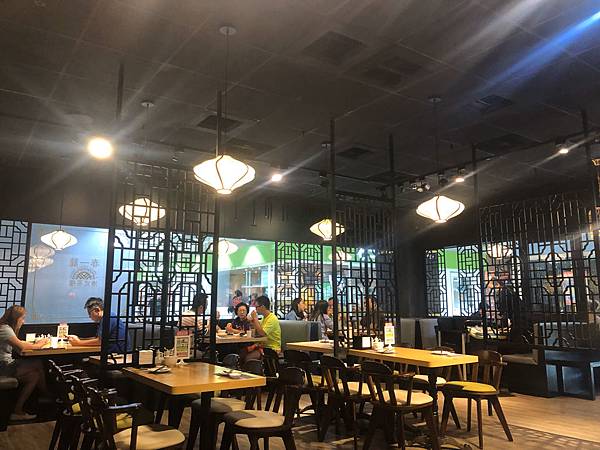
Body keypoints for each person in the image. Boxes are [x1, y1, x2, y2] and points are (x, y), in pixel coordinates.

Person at [0, 306, 49, 421]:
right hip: (3, 366)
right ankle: (46, 394)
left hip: (5, 364)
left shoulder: (5, 327)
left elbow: (18, 343)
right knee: (37, 363)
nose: (23, 321)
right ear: (16, 318)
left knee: (34, 376)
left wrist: (33, 344)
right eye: (22, 318)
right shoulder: (5, 329)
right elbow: (21, 348)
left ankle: (17, 410)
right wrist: (40, 344)